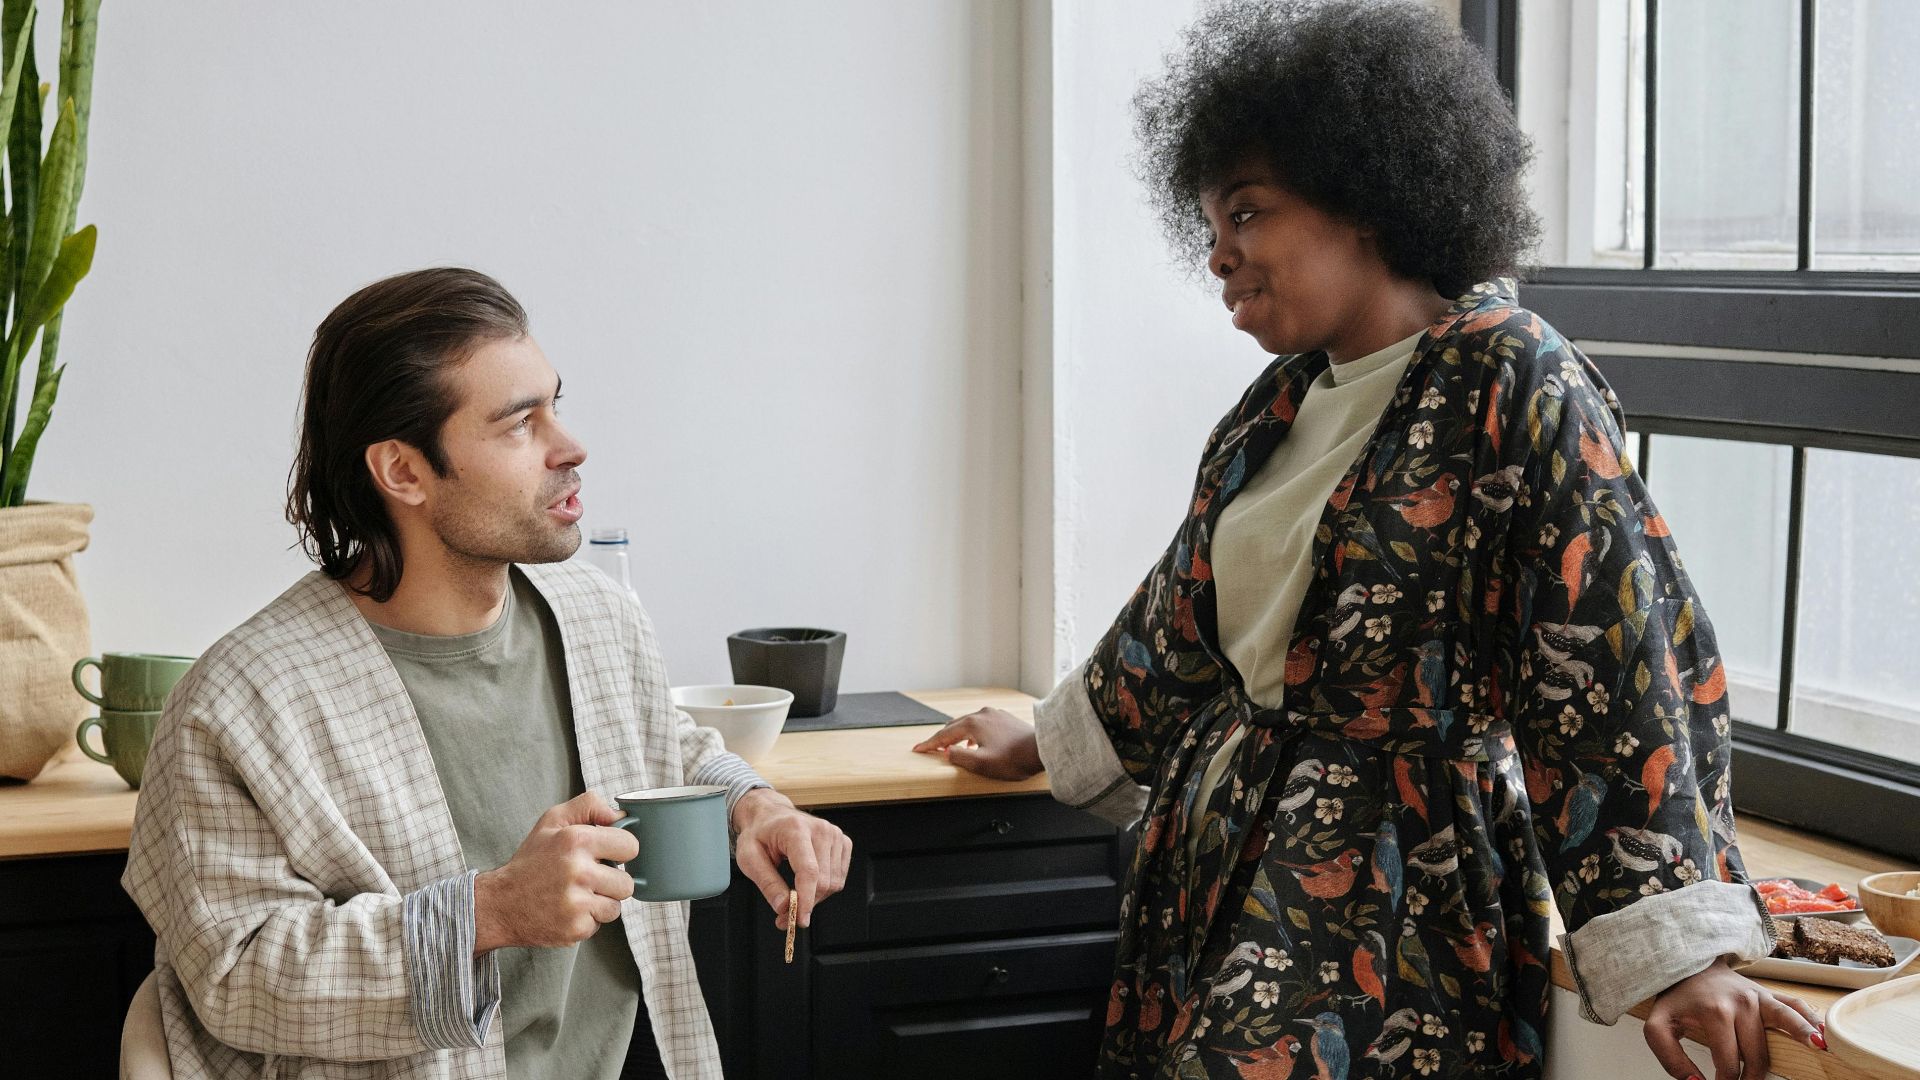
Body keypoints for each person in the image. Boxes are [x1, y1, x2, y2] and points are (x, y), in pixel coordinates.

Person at [917, 3, 1826, 1077]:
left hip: (1395, 897)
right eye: (1208, 229)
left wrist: (1683, 953)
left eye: (1247, 214)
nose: (1219, 257)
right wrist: (1051, 735)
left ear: (1362, 193)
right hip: (1217, 870)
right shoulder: (1273, 410)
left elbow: (1616, 662)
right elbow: (1183, 623)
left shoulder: (1512, 377)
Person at [124, 267, 851, 1079]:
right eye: (518, 425)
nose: (570, 447)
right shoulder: (241, 703)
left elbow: (660, 745)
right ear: (403, 472)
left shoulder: (596, 616)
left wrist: (752, 804)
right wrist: (493, 910)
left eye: (556, 405)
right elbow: (235, 976)